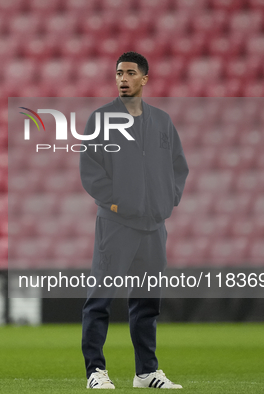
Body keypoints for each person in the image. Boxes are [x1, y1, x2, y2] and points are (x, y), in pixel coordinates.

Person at [79, 52, 189, 389]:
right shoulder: (100, 120)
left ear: (144, 78)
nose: (123, 78)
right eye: (118, 73)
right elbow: (90, 171)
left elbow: (178, 167)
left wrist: (166, 202)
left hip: (154, 226)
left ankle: (146, 373)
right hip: (115, 225)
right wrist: (114, 205)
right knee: (101, 298)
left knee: (147, 302)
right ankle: (95, 372)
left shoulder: (162, 122)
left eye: (130, 73)